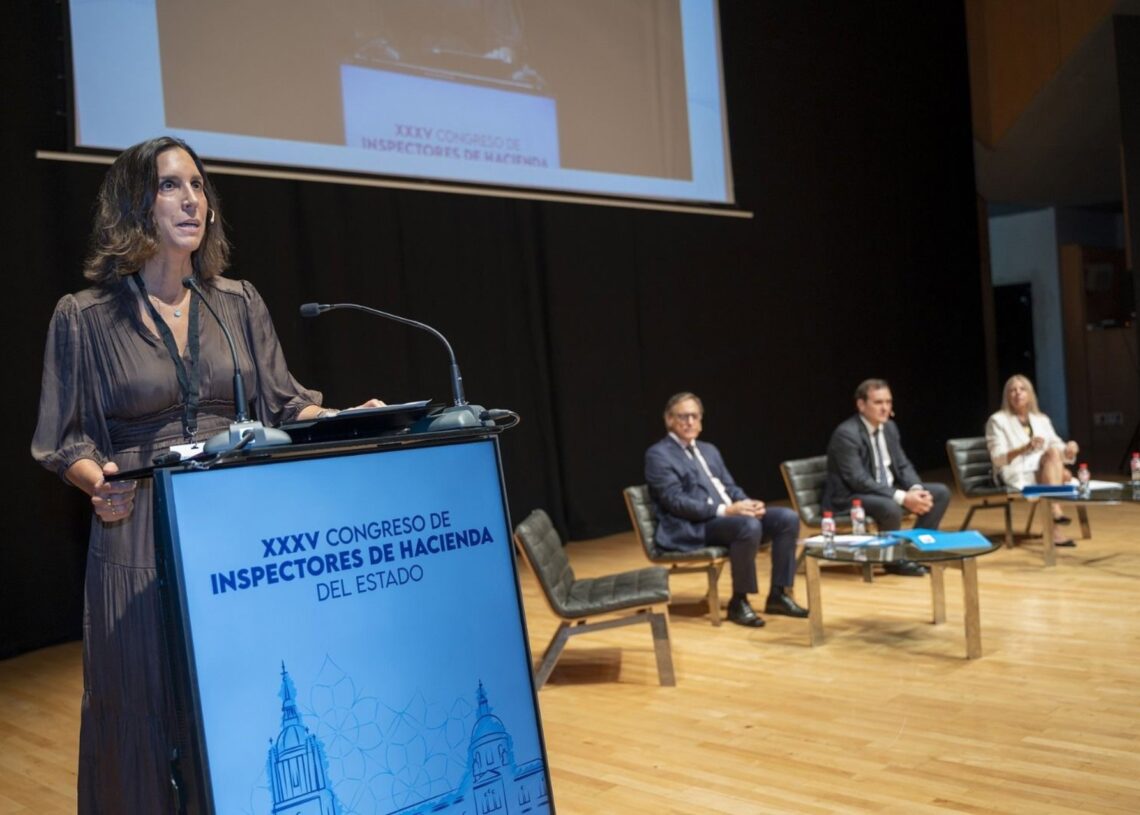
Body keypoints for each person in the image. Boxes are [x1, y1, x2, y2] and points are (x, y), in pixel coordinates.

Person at [31, 136, 382, 812]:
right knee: (145, 711)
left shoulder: (238, 303)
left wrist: (350, 416)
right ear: (136, 205)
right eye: (170, 185)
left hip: (236, 533)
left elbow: (287, 402)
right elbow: (63, 436)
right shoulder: (85, 317)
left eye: (197, 184)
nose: (192, 198)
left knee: (244, 702)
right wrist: (91, 478)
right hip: (138, 534)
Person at [645, 392, 807, 628]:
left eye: (694, 416)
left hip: (726, 518)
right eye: (683, 416)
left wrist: (749, 503)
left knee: (787, 518)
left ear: (701, 420)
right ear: (669, 420)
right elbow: (676, 502)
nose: (689, 422)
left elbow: (730, 486)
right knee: (747, 526)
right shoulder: (658, 455)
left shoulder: (709, 449)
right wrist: (726, 510)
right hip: (692, 526)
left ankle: (778, 594)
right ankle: (739, 601)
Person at [822, 378, 951, 576]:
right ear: (861, 405)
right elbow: (858, 480)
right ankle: (893, 559)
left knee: (939, 493)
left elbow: (902, 464)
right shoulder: (846, 434)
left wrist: (916, 489)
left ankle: (916, 552)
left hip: (882, 490)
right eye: (878, 402)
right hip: (850, 496)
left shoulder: (889, 428)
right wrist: (902, 497)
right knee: (889, 506)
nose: (885, 408)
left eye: (888, 402)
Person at [985, 374, 1080, 546]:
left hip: (1042, 467)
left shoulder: (1041, 419)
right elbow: (998, 458)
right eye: (1012, 390)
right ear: (1007, 396)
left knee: (1054, 456)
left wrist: (1069, 449)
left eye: (1022, 389)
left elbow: (1056, 444)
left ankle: (1053, 525)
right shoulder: (997, 420)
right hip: (1014, 469)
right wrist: (1024, 448)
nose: (1017, 393)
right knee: (1063, 475)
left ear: (1030, 394)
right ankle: (1054, 513)